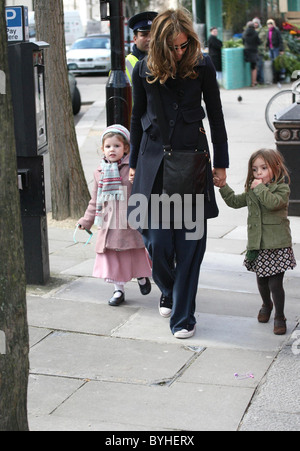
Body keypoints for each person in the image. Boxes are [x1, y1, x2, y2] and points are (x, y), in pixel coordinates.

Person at [128, 9, 229, 339]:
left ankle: (184, 316)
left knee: (189, 245)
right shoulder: (143, 70)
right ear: (158, 44)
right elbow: (136, 116)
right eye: (173, 47)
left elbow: (215, 115)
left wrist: (221, 162)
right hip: (153, 164)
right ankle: (170, 290)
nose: (180, 52)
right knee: (155, 240)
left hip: (192, 163)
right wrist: (131, 165)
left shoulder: (202, 65)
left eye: (184, 45)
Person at [218, 149, 296, 336]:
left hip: (277, 245)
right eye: (254, 169)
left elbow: (272, 203)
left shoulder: (282, 189)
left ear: (275, 168)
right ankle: (266, 304)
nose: (258, 173)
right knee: (261, 281)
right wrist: (223, 186)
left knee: (275, 284)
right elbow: (234, 202)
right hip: (258, 245)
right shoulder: (253, 191)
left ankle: (280, 315)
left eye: (263, 168)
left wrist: (259, 188)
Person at [77, 125, 152, 307]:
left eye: (117, 146)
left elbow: (143, 192)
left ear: (126, 148)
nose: (112, 150)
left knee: (135, 253)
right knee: (113, 260)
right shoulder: (99, 172)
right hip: (109, 224)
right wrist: (86, 221)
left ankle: (142, 277)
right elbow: (95, 199)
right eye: (108, 146)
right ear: (102, 149)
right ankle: (118, 290)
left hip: (129, 222)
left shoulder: (133, 168)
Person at [126, 11, 158, 86]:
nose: (149, 39)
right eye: (144, 35)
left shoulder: (166, 60)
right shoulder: (125, 64)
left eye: (153, 35)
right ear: (135, 39)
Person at [243, 21, 261, 87]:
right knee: (254, 67)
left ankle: (247, 82)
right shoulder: (255, 33)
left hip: (246, 51)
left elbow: (243, 41)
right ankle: (254, 82)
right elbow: (259, 42)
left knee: (247, 66)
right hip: (253, 51)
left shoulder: (244, 33)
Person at [266, 19, 284, 84]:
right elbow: (268, 40)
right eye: (268, 24)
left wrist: (281, 49)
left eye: (270, 24)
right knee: (273, 63)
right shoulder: (268, 32)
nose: (269, 25)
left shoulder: (276, 31)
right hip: (271, 48)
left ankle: (279, 77)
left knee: (277, 63)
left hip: (276, 48)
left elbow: (280, 40)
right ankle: (275, 78)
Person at [252, 17, 267, 84]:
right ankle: (258, 80)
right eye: (254, 23)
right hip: (255, 51)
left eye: (256, 23)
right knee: (257, 66)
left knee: (260, 66)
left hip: (260, 51)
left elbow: (260, 40)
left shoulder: (262, 31)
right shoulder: (253, 30)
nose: (255, 24)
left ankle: (261, 80)